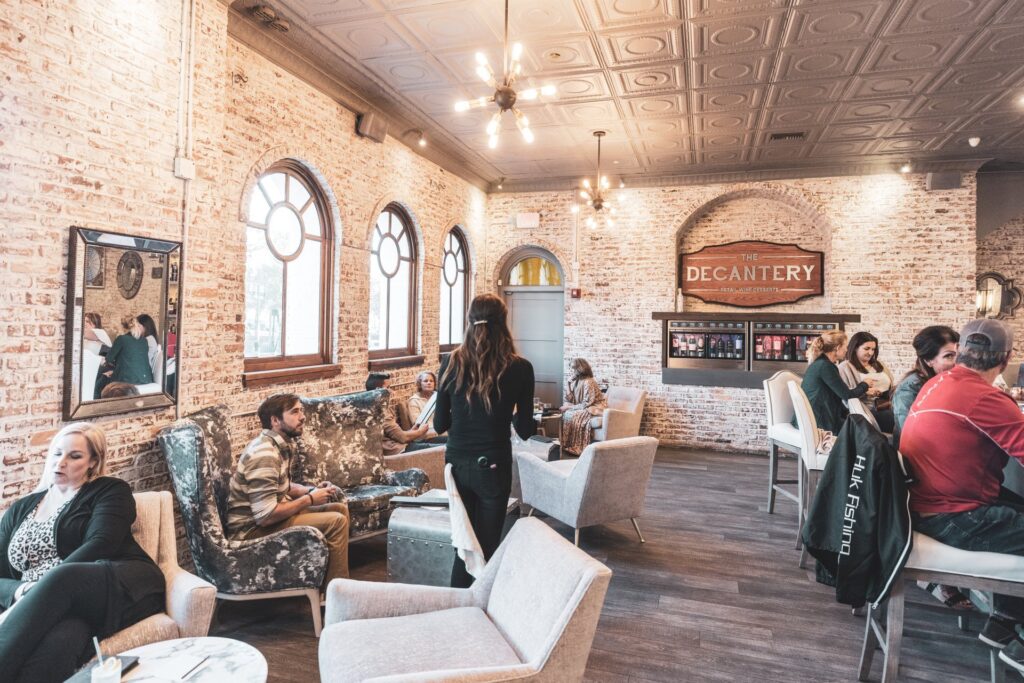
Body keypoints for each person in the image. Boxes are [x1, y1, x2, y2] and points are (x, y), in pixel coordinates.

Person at [899, 319, 1024, 673]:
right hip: (954, 516)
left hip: (924, 506)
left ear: (962, 352)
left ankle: (1004, 620)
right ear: (1007, 358)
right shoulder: (986, 397)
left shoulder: (936, 383)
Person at [0, 423, 165, 682]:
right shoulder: (20, 508)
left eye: (74, 456)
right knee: (63, 640)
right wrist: (22, 591)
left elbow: (101, 543)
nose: (61, 462)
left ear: (93, 462)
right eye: (57, 453)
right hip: (54, 607)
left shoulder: (110, 490)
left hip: (115, 585)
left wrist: (45, 587)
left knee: (62, 578)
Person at [434, 293, 535, 588]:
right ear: (503, 323)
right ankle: (477, 606)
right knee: (486, 545)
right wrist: (509, 414)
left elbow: (440, 424)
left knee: (463, 543)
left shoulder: (450, 362)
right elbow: (525, 429)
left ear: (469, 321)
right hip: (493, 464)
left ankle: (457, 603)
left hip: (456, 464)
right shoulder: (520, 368)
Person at [225, 393, 351, 588]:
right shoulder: (265, 454)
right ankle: (337, 594)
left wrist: (312, 490)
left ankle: (328, 584)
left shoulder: (279, 445)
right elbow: (265, 517)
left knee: (339, 508)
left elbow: (282, 486)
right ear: (275, 420)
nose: (303, 417)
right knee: (336, 522)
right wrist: (309, 499)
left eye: (301, 410)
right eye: (294, 412)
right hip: (250, 532)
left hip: (265, 521)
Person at [892, 325, 959, 448]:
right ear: (928, 360)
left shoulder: (946, 382)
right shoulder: (909, 389)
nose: (957, 362)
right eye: (949, 356)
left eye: (959, 355)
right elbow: (911, 436)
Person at [799, 330, 878, 434]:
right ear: (837, 348)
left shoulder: (821, 363)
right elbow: (848, 396)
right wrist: (865, 384)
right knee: (866, 432)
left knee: (864, 429)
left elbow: (838, 394)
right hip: (819, 423)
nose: (846, 350)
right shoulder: (825, 366)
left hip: (817, 418)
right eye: (845, 346)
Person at [365, 373, 442, 453]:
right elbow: (403, 438)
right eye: (387, 388)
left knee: (444, 443)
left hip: (402, 444)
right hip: (398, 450)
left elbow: (398, 435)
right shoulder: (380, 411)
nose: (391, 391)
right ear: (378, 390)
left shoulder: (373, 406)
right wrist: (420, 431)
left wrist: (412, 430)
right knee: (443, 448)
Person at [838, 332, 896, 433]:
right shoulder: (845, 367)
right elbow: (844, 396)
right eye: (866, 349)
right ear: (855, 348)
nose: (871, 353)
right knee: (898, 419)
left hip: (885, 405)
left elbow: (891, 386)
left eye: (873, 349)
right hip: (865, 411)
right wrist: (865, 392)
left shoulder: (879, 364)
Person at [559, 358, 607, 456]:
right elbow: (570, 399)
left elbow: (587, 403)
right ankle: (567, 444)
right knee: (567, 412)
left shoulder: (589, 382)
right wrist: (568, 383)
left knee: (574, 414)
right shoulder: (577, 381)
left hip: (594, 407)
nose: (572, 371)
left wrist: (569, 407)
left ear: (580, 368)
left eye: (574, 369)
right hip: (585, 406)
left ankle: (578, 446)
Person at [102, 315, 154, 387]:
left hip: (127, 380)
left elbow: (108, 359)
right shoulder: (144, 340)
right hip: (146, 379)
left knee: (102, 378)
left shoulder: (121, 339)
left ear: (122, 327)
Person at [80, 312, 112, 401]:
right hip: (87, 367)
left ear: (95, 323)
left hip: (98, 368)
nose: (84, 323)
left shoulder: (100, 332)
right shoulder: (84, 338)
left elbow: (81, 333)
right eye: (83, 321)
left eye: (87, 321)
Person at [137, 313, 163, 386]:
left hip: (142, 376)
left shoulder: (148, 340)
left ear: (145, 327)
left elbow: (142, 361)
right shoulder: (150, 339)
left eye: (138, 326)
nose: (136, 328)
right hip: (143, 374)